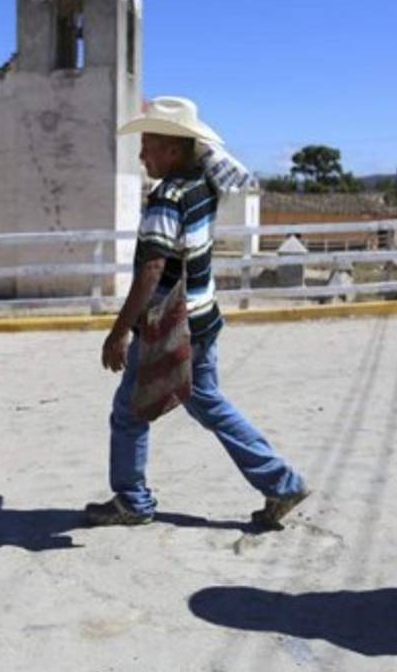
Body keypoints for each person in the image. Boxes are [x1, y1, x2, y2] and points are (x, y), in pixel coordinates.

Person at [84, 97, 310, 530]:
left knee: (131, 410)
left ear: (172, 148)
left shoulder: (167, 197)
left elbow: (152, 270)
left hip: (169, 326)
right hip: (201, 317)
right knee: (207, 403)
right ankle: (281, 483)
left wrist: (119, 330)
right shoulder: (202, 186)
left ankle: (132, 500)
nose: (141, 153)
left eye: (148, 143)